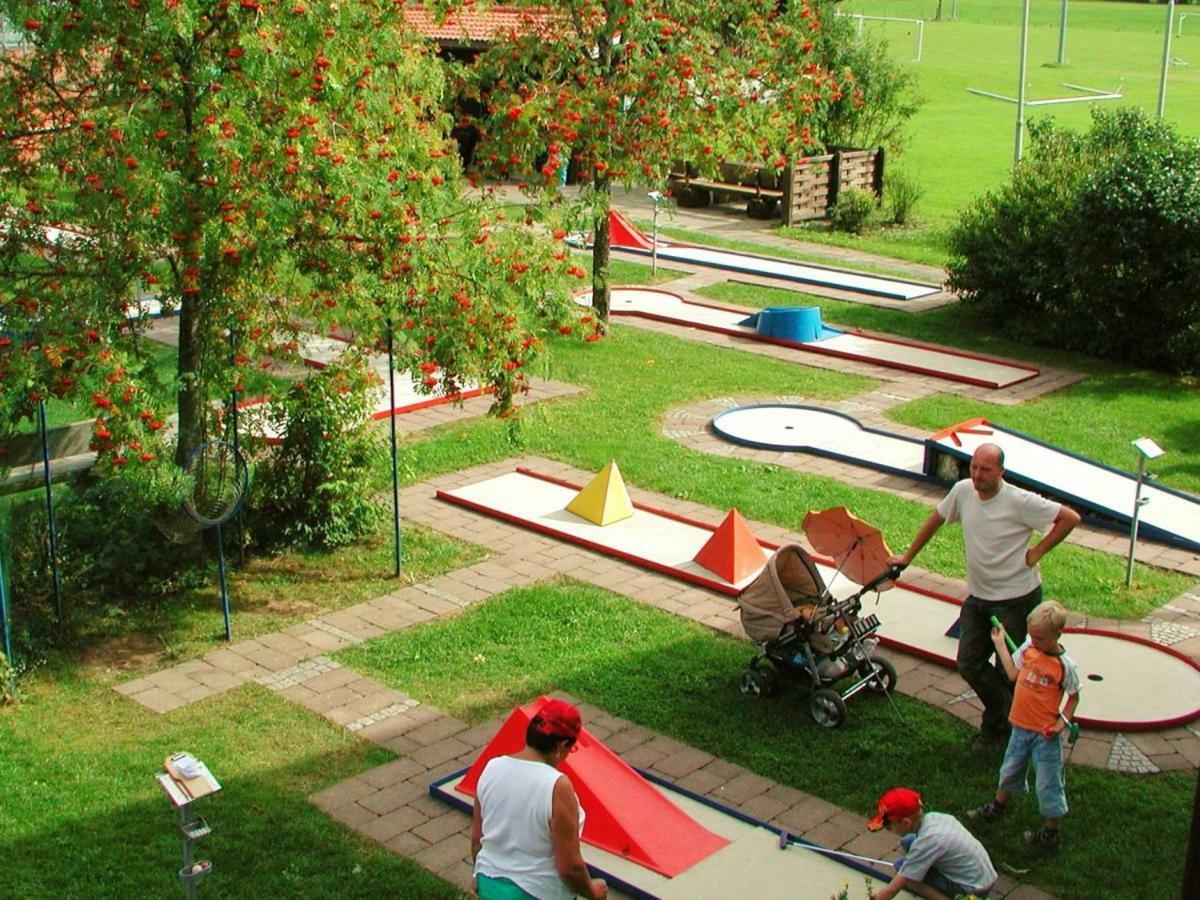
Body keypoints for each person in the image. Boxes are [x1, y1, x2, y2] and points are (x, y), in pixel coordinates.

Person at [889, 443, 1080, 750]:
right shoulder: (963, 491)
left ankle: (997, 732)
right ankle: (1009, 714)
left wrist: (1036, 552)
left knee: (1009, 671)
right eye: (974, 467)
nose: (977, 474)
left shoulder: (1019, 501)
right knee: (968, 662)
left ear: (1000, 472)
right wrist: (908, 557)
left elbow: (1070, 517)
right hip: (979, 596)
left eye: (985, 470)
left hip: (1016, 598)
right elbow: (936, 518)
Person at [967, 601, 1081, 851]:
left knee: (1048, 781)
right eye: (1031, 635)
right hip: (1020, 727)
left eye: (1040, 637)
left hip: (1044, 735)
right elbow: (1013, 674)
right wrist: (999, 643)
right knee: (1010, 769)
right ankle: (998, 806)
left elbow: (1074, 696)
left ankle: (1051, 832)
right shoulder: (1029, 648)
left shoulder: (1065, 666)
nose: (1034, 640)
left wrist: (1061, 724)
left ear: (1057, 635)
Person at [471, 699, 607, 900]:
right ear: (561, 746)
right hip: (535, 892)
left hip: (489, 885)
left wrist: (479, 877)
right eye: (572, 748)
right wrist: (593, 891)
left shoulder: (492, 767)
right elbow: (570, 868)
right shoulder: (556, 786)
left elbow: (477, 842)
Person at [867, 787, 998, 900]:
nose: (889, 830)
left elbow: (891, 890)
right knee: (908, 842)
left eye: (889, 827)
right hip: (984, 875)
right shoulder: (935, 817)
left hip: (974, 889)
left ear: (906, 822)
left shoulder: (926, 843)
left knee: (901, 867)